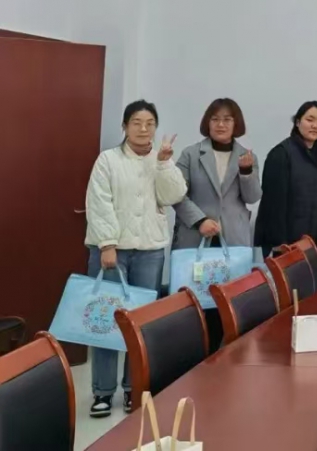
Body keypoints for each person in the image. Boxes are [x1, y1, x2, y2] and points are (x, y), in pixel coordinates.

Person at [84, 100, 187, 417]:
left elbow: (174, 196)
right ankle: (102, 392)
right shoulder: (108, 160)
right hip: (111, 251)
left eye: (150, 123)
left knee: (141, 323)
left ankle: (134, 387)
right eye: (137, 123)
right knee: (107, 320)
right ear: (125, 127)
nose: (144, 129)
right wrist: (107, 244)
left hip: (149, 250)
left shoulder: (161, 159)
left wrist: (165, 165)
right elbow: (99, 202)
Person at [173, 98, 261, 351]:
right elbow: (176, 195)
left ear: (236, 124)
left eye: (227, 119)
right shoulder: (191, 154)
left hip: (232, 239)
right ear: (207, 123)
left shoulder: (246, 156)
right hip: (196, 237)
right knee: (195, 304)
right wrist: (200, 220)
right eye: (215, 119)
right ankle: (195, 360)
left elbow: (253, 197)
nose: (221, 124)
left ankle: (225, 360)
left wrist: (246, 172)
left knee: (230, 304)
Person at [254, 101, 317, 263]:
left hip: (315, 240)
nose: (315, 126)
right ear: (297, 122)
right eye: (309, 120)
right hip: (287, 242)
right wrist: (279, 243)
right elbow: (272, 205)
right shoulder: (281, 154)